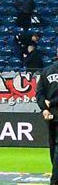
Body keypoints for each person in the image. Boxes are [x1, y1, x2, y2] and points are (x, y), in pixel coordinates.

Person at [38, 55, 58, 184]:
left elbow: (39, 93)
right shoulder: (47, 71)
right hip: (51, 114)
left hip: (51, 114)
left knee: (54, 148)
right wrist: (45, 108)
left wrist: (45, 107)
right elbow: (39, 93)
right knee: (54, 149)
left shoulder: (46, 70)